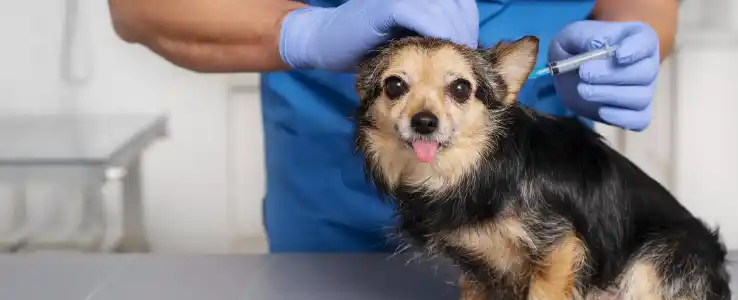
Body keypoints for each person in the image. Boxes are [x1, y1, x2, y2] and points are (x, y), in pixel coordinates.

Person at [109, 0, 678, 253]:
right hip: (332, 212)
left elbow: (647, 11)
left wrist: (622, 50)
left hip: (535, 193)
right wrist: (306, 32)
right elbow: (140, 6)